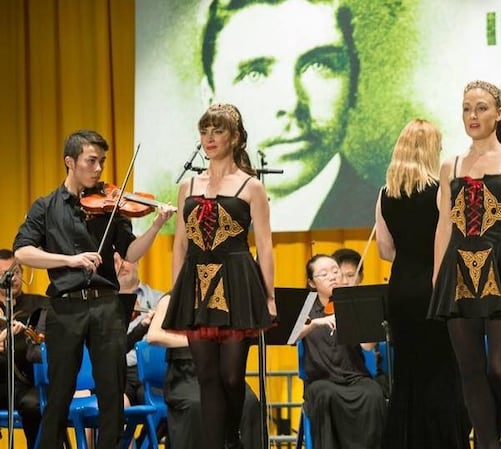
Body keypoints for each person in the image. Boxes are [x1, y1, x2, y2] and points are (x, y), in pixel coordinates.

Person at [12, 129, 175, 449]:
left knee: (112, 393)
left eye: (102, 161)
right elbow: (22, 251)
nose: (99, 168)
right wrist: (71, 260)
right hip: (65, 306)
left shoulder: (111, 205)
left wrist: (156, 225)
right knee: (59, 391)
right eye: (91, 161)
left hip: (106, 306)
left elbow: (129, 253)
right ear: (69, 162)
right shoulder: (45, 206)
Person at [429, 80, 501, 449]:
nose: (472, 116)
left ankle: (489, 433)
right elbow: (444, 224)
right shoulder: (451, 164)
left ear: (498, 114)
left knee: (498, 367)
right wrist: (437, 279)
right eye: (466, 108)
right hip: (457, 269)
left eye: (480, 108)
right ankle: (488, 443)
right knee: (469, 368)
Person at [201, 0, 376, 230]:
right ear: (212, 103)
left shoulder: (380, 216)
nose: (291, 103)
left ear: (354, 83)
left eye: (319, 65)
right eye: (254, 74)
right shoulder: (205, 223)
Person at [161, 103, 276, 449]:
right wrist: (174, 291)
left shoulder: (251, 186)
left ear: (235, 137)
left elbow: (266, 246)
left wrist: (269, 297)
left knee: (231, 375)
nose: (209, 138)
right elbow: (180, 244)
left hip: (237, 281)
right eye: (204, 131)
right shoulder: (189, 185)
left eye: (218, 131)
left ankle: (232, 434)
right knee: (207, 376)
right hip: (196, 284)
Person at [375, 119, 470, 449]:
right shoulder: (441, 191)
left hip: (401, 288)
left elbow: (385, 250)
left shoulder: (385, 194)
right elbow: (454, 240)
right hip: (436, 287)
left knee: (408, 373)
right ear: (431, 150)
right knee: (443, 370)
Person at [147, 294, 263, 449]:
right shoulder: (171, 299)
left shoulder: (224, 298)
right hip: (185, 374)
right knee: (198, 405)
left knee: (249, 403)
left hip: (219, 369)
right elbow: (153, 336)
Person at [297, 254, 386, 449]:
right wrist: (315, 324)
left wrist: (367, 320)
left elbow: (367, 347)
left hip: (354, 376)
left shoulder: (350, 303)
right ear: (312, 282)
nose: (332, 276)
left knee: (373, 394)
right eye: (324, 274)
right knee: (325, 395)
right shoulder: (305, 308)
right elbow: (291, 336)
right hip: (321, 379)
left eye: (335, 271)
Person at [0, 250, 47, 446]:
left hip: (29, 384)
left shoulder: (40, 304)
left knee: (33, 404)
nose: (12, 278)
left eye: (16, 272)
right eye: (5, 274)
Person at [115, 252, 165, 408]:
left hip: (153, 373)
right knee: (116, 404)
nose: (122, 265)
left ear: (137, 261)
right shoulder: (102, 304)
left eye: (127, 259)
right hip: (119, 372)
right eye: (116, 261)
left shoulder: (160, 299)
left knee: (162, 404)